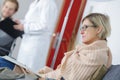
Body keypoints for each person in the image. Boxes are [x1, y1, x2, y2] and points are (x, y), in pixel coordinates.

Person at [38, 13, 112, 80]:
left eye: (85, 27)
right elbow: (64, 73)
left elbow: (69, 77)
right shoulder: (89, 50)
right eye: (81, 28)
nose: (81, 32)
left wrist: (44, 77)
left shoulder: (96, 55)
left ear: (98, 29)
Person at [14, 0, 58, 72]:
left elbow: (45, 26)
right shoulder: (35, 3)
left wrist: (24, 27)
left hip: (36, 45)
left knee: (29, 71)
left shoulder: (48, 3)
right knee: (21, 70)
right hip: (27, 44)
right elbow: (31, 21)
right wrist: (21, 22)